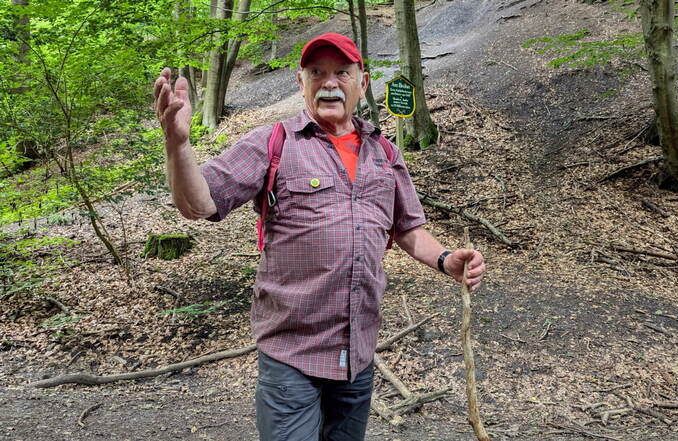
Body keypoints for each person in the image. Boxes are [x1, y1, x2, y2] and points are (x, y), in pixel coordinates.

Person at [153, 32, 486, 441]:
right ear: (301, 81)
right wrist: (177, 144)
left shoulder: (384, 153)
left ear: (362, 83)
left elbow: (407, 228)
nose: (329, 82)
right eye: (317, 72)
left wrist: (444, 258)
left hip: (358, 353)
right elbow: (199, 204)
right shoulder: (272, 143)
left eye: (341, 72)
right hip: (291, 354)